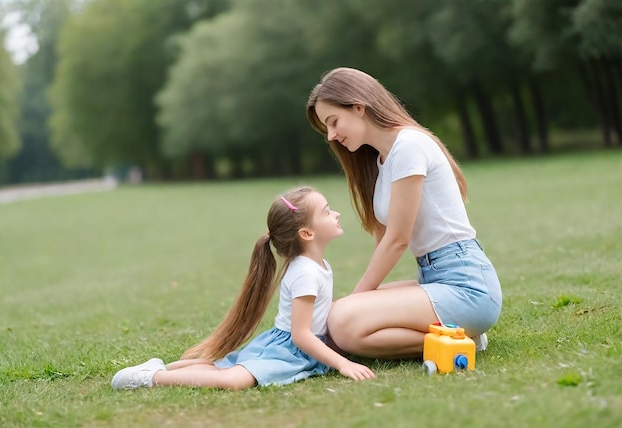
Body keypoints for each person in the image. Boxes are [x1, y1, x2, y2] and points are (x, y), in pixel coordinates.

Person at [305, 67, 502, 359]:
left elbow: (397, 240)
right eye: (327, 129)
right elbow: (382, 240)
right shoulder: (382, 162)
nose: (332, 136)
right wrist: (359, 302)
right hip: (434, 278)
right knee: (340, 315)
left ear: (358, 107)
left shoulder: (409, 146)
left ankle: (459, 341)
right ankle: (454, 334)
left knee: (344, 322)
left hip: (467, 284)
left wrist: (358, 300)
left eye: (334, 123)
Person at [111, 186, 375, 390]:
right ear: (307, 233)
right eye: (327, 211)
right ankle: (152, 377)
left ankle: (167, 367)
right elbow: (301, 335)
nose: (336, 213)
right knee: (234, 379)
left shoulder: (317, 264)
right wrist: (343, 363)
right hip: (290, 349)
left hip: (285, 344)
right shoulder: (306, 272)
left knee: (228, 365)